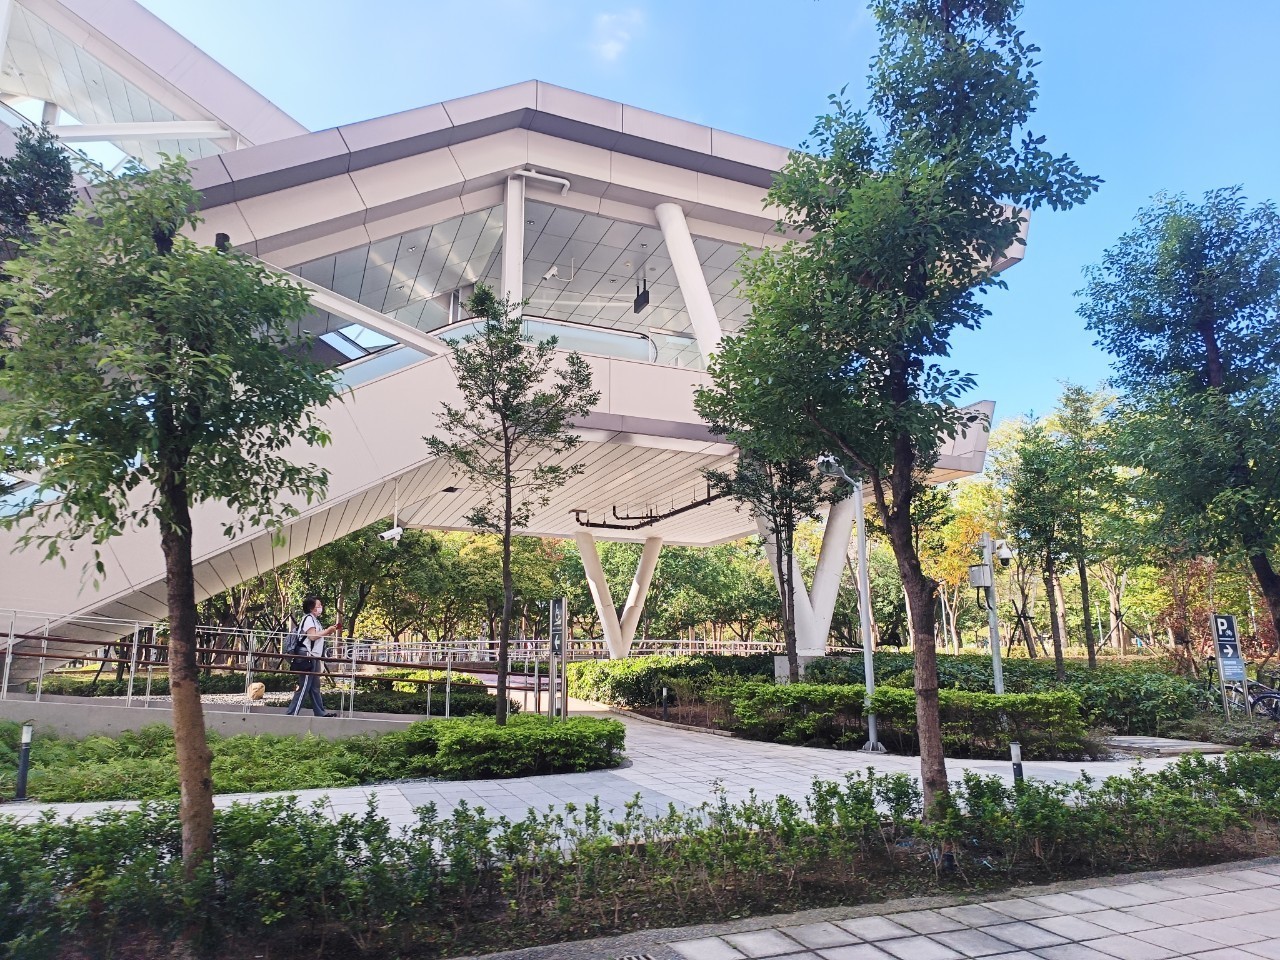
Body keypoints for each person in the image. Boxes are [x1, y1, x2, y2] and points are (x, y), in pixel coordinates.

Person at [285, 596, 342, 717]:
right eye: (318, 605)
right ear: (311, 608)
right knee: (305, 686)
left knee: (315, 686)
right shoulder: (308, 619)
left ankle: (320, 712)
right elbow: (312, 636)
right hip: (307, 656)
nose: (321, 607)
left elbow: (316, 636)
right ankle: (291, 714)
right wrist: (327, 631)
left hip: (313, 656)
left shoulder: (314, 620)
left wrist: (328, 631)